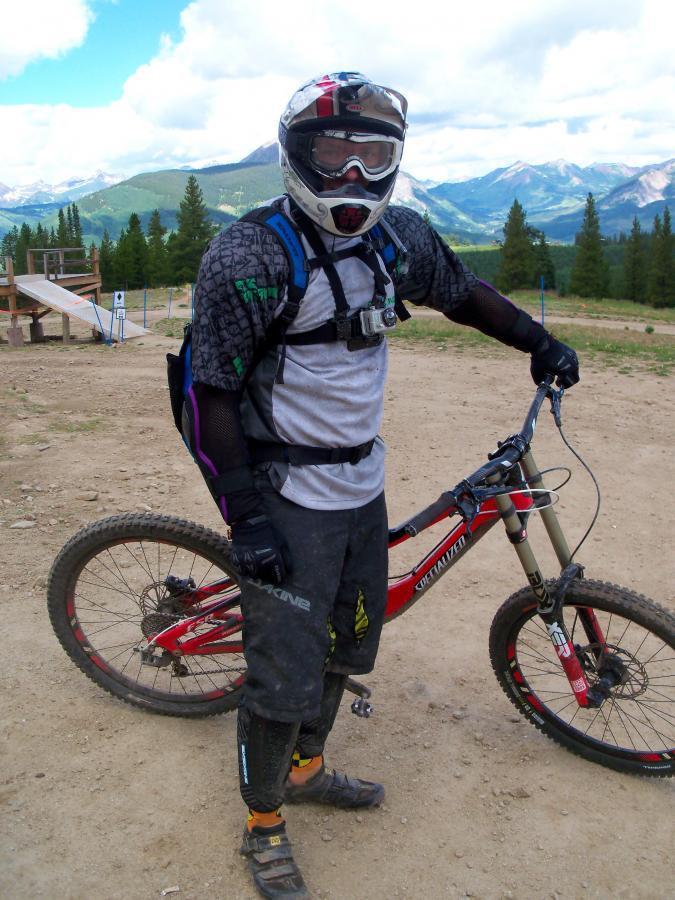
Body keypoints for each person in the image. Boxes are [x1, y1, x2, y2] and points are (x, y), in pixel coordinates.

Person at [189, 72, 579, 899]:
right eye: (334, 153)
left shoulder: (395, 239)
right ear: (297, 155)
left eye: (374, 156)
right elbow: (210, 392)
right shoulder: (251, 253)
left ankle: (307, 767)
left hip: (360, 486)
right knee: (281, 676)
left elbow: (462, 294)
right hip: (285, 495)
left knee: (346, 644)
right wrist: (244, 516)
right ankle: (262, 827)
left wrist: (538, 341)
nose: (353, 176)